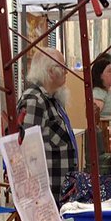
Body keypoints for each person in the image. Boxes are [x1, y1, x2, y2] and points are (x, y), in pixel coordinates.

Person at [18, 47, 78, 201]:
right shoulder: (34, 100)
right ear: (51, 71)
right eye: (63, 67)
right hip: (47, 193)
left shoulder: (53, 98)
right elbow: (25, 149)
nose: (66, 72)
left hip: (61, 189)